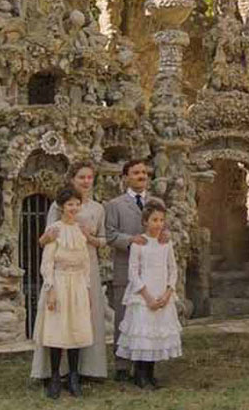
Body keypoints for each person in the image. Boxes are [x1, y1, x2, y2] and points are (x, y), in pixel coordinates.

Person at [33, 161, 108, 381]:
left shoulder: (97, 208)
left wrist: (89, 237)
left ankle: (87, 369)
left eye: (89, 177)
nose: (86, 181)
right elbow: (47, 238)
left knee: (86, 316)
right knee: (59, 317)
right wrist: (47, 239)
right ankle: (56, 371)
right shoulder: (58, 206)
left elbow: (103, 240)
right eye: (81, 177)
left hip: (87, 266)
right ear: (72, 179)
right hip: (61, 268)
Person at [104, 158, 168, 382]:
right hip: (126, 270)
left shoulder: (156, 202)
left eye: (144, 173)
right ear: (125, 178)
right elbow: (110, 235)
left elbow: (163, 228)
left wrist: (165, 235)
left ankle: (147, 364)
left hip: (152, 275)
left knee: (148, 319)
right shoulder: (115, 205)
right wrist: (131, 240)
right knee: (124, 318)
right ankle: (122, 365)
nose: (142, 176)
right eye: (136, 173)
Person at [30, 189, 95, 399]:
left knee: (76, 328)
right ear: (61, 207)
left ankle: (74, 376)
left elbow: (86, 263)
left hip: (77, 284)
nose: (73, 208)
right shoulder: (54, 230)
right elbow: (47, 263)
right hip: (59, 283)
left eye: (76, 204)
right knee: (57, 330)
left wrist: (87, 289)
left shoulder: (81, 230)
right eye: (69, 205)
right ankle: (55, 377)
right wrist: (50, 289)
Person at [116, 199, 182, 389]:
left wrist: (168, 293)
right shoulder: (139, 244)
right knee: (143, 332)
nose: (158, 224)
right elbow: (133, 272)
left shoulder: (166, 244)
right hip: (143, 295)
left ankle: (151, 373)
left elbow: (173, 269)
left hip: (161, 293)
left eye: (161, 220)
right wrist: (147, 297)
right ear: (145, 221)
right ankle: (140, 374)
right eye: (154, 220)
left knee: (155, 332)